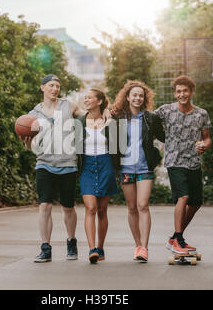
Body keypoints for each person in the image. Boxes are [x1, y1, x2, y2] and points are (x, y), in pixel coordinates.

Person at [21, 74, 110, 263]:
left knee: (68, 207)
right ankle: (45, 247)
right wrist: (27, 142)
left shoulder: (69, 106)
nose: (55, 89)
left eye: (57, 86)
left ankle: (71, 241)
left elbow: (90, 115)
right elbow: (30, 147)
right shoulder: (33, 114)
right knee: (44, 205)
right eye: (51, 85)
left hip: (68, 164)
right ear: (42, 87)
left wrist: (107, 112)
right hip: (44, 163)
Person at [153, 75, 212, 255]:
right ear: (175, 93)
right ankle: (178, 239)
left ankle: (174, 238)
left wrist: (204, 145)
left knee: (195, 203)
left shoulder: (201, 113)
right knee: (183, 197)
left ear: (191, 92)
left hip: (193, 162)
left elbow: (207, 138)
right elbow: (147, 118)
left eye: (185, 91)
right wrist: (160, 139)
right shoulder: (166, 110)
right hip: (174, 161)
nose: (182, 94)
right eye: (178, 91)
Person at [112, 80, 165, 262]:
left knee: (143, 205)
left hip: (144, 167)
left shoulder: (150, 118)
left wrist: (158, 154)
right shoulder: (118, 118)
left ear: (144, 98)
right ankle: (137, 245)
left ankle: (145, 247)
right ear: (127, 97)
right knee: (132, 207)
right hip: (125, 168)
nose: (137, 98)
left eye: (140, 95)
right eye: (134, 95)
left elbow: (164, 137)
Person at [76, 89, 120, 264]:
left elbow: (119, 145)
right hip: (86, 166)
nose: (86, 100)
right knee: (91, 208)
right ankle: (92, 248)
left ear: (99, 101)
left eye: (89, 97)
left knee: (102, 210)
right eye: (84, 98)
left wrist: (110, 122)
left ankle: (100, 247)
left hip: (106, 164)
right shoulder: (79, 121)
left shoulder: (111, 121)